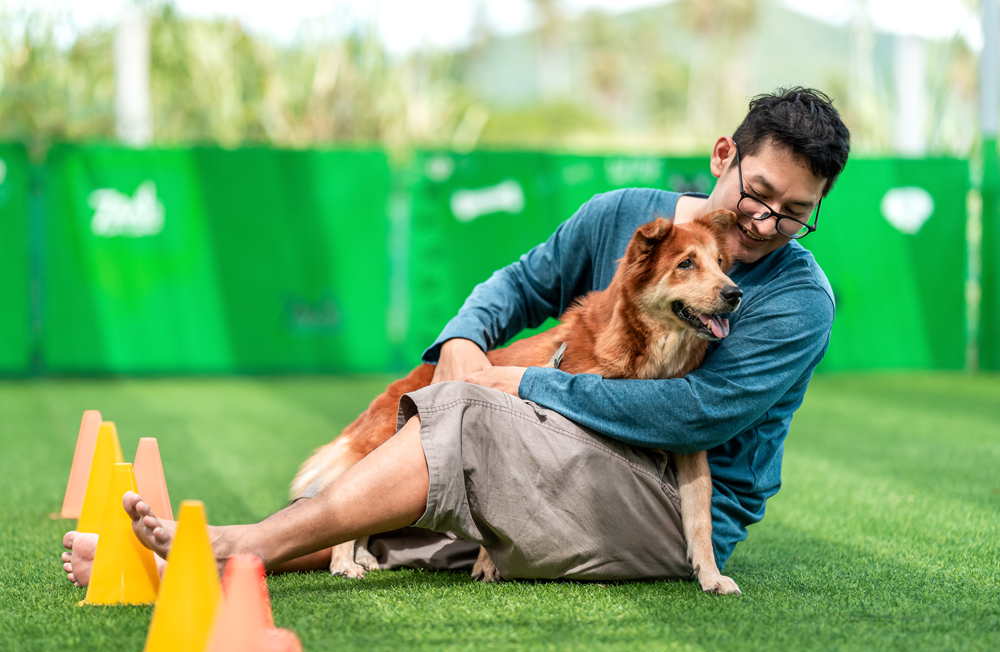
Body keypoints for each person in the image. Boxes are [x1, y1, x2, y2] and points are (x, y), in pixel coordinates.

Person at [62, 86, 850, 588]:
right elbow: (519, 283)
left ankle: (241, 543)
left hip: (675, 511)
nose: (766, 223)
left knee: (471, 420)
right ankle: (191, 565)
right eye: (759, 193)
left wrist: (510, 385)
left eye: (795, 213)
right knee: (408, 516)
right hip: (579, 455)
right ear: (724, 156)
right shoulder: (623, 215)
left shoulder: (799, 300)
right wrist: (466, 342)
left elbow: (695, 417)